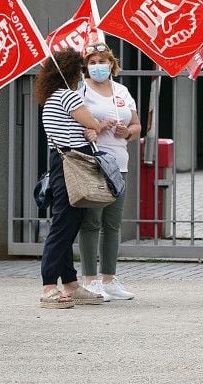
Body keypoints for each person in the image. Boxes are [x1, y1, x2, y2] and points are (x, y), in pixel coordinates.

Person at [35, 49, 113, 309]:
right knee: (63, 225)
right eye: (80, 69)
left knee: (69, 223)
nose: (83, 74)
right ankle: (48, 287)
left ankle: (69, 283)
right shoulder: (68, 97)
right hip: (72, 163)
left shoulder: (51, 98)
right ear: (70, 72)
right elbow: (91, 122)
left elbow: (79, 128)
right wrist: (97, 126)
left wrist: (89, 130)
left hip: (63, 162)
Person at [76, 42, 140, 301]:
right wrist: (98, 127)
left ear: (112, 64)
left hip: (119, 164)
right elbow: (78, 125)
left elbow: (136, 124)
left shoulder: (122, 91)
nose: (98, 66)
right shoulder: (81, 91)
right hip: (93, 163)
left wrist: (128, 132)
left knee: (113, 223)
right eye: (92, 62)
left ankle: (109, 278)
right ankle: (90, 279)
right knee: (91, 222)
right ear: (86, 66)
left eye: (102, 61)